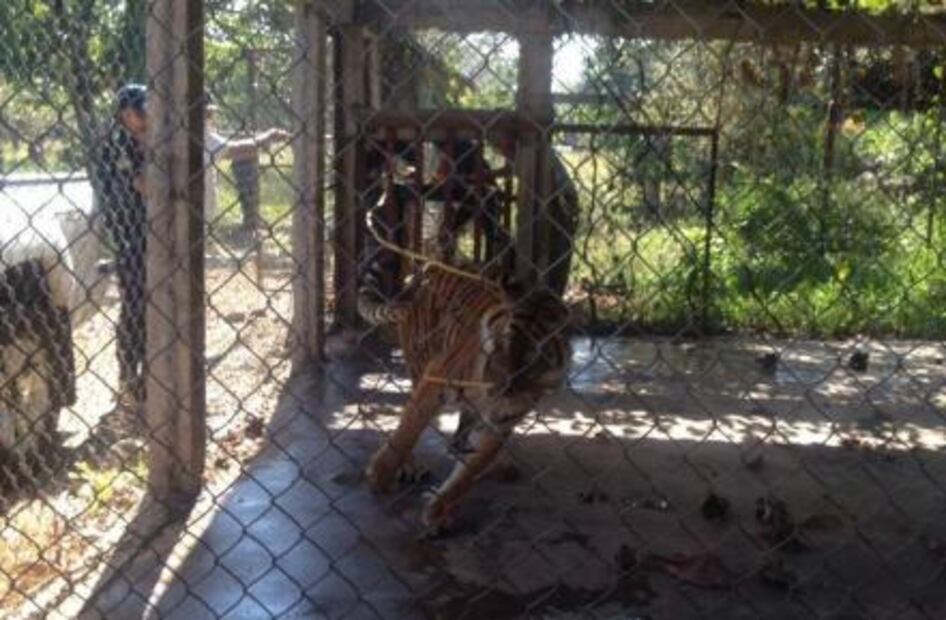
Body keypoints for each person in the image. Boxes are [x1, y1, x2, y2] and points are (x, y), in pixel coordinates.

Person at [96, 84, 149, 413]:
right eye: (137, 112)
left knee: (154, 305)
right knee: (134, 306)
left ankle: (145, 378)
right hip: (132, 237)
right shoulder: (119, 144)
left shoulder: (156, 136)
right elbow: (140, 187)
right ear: (126, 115)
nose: (141, 117)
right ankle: (129, 377)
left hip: (154, 235)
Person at [203, 103, 290, 234]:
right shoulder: (201, 135)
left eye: (210, 115)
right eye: (208, 115)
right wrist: (269, 136)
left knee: (246, 158)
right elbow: (236, 149)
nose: (210, 119)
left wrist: (258, 145)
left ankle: (251, 220)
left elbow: (239, 152)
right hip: (198, 214)